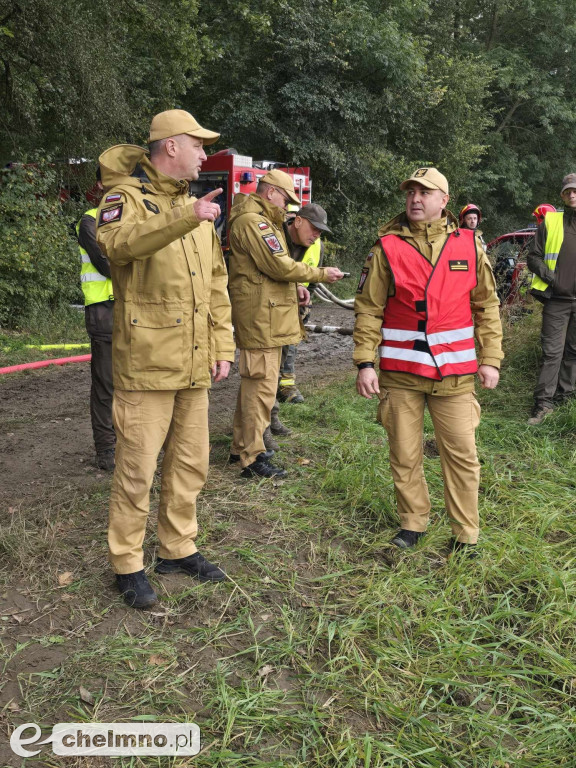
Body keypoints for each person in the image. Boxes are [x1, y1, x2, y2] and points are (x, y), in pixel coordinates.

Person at [96, 109, 235, 608]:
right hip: (147, 363)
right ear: (171, 146)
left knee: (190, 462)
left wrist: (223, 345)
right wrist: (184, 218)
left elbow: (217, 284)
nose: (205, 154)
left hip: (196, 362)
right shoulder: (125, 198)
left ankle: (177, 548)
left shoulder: (201, 208)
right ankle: (127, 563)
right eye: (199, 145)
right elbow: (116, 245)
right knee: (137, 469)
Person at [354, 167, 503, 555]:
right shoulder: (386, 246)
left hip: (454, 375)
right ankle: (412, 524)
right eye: (410, 193)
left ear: (444, 201)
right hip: (401, 374)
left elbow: (486, 306)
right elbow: (369, 309)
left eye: (425, 192)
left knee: (461, 457)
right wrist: (364, 362)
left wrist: (491, 359)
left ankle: (465, 534)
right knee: (404, 454)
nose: (415, 199)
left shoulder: (469, 245)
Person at [228, 170, 344, 478]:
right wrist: (319, 274)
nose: (288, 206)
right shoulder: (255, 222)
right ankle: (252, 459)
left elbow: (265, 273)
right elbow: (277, 265)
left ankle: (241, 446)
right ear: (270, 193)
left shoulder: (263, 222)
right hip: (261, 318)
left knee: (256, 387)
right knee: (261, 390)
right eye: (286, 199)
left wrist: (296, 287)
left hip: (267, 315)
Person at [526, 174, 576, 424]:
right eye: (568, 192)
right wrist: (552, 277)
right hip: (557, 300)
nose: (572, 195)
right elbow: (533, 257)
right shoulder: (551, 221)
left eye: (575, 191)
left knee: (573, 353)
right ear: (562, 196)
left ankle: (565, 399)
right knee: (552, 353)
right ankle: (543, 405)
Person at [77, 169, 115, 471]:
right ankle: (106, 450)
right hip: (103, 312)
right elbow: (106, 265)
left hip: (133, 310)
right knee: (106, 384)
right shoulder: (89, 220)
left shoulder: (130, 219)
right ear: (100, 185)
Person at [276, 203, 331, 405]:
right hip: (272, 303)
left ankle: (286, 385)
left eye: (320, 231)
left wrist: (306, 300)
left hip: (297, 302)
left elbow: (314, 279)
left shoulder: (318, 246)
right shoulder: (276, 236)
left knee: (291, 342)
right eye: (314, 228)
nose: (317, 235)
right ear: (297, 221)